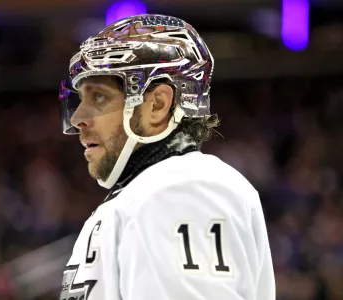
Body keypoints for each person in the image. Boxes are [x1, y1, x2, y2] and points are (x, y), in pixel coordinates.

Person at [58, 14, 275, 300]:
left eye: (98, 97)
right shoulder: (149, 193)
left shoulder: (180, 190)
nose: (77, 118)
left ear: (157, 105)